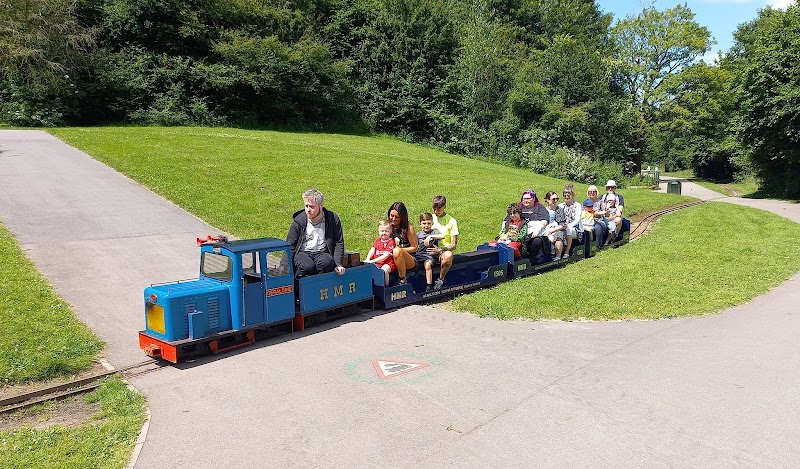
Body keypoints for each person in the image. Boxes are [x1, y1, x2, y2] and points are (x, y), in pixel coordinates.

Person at [286, 188, 346, 278]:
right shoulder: (299, 221)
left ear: (321, 206)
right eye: (306, 206)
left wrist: (338, 264)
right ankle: (299, 286)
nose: (308, 210)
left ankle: (320, 286)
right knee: (307, 266)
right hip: (303, 252)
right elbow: (290, 245)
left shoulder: (332, 219)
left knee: (327, 262)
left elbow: (339, 242)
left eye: (312, 207)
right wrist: (283, 266)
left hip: (322, 252)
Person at [387, 201, 418, 285]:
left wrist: (399, 250)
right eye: (391, 216)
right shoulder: (387, 227)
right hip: (391, 257)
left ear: (402, 217)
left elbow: (414, 247)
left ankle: (402, 280)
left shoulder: (408, 227)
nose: (393, 219)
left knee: (397, 251)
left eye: (396, 217)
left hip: (409, 258)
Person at [432, 195, 458, 290]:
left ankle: (440, 280)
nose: (436, 211)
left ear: (444, 207)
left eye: (439, 209)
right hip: (430, 248)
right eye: (434, 209)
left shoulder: (451, 221)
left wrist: (440, 250)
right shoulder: (430, 218)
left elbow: (453, 245)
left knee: (448, 256)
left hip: (443, 251)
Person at [414, 212, 445, 292]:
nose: (426, 225)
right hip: (419, 255)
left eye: (429, 223)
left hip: (429, 256)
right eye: (424, 223)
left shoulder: (434, 232)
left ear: (432, 223)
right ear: (420, 224)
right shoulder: (418, 234)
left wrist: (430, 236)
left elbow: (442, 236)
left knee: (427, 265)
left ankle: (429, 285)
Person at [517, 189, 551, 260]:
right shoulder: (518, 207)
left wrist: (537, 229)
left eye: (528, 198)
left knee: (536, 242)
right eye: (524, 199)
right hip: (520, 231)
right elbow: (508, 219)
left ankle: (536, 258)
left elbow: (544, 221)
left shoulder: (540, 208)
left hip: (537, 233)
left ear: (534, 199)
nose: (526, 200)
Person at [363, 219, 396, 286]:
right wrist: (368, 259)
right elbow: (372, 250)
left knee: (384, 269)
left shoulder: (391, 242)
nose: (384, 233)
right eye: (382, 231)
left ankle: (386, 286)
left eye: (386, 231)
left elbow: (386, 255)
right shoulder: (377, 241)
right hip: (377, 263)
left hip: (388, 264)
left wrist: (373, 261)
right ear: (378, 231)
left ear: (390, 231)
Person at [559, 184, 582, 257]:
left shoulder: (577, 205)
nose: (566, 197)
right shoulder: (560, 206)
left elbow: (577, 219)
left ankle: (567, 252)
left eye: (568, 195)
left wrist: (568, 226)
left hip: (575, 228)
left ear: (572, 195)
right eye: (565, 195)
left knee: (568, 230)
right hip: (562, 227)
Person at [544, 191, 566, 259]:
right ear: (547, 200)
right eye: (553, 199)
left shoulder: (560, 210)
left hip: (558, 229)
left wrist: (552, 230)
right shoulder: (544, 210)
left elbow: (563, 225)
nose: (555, 201)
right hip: (546, 229)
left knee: (559, 235)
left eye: (557, 199)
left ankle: (558, 256)